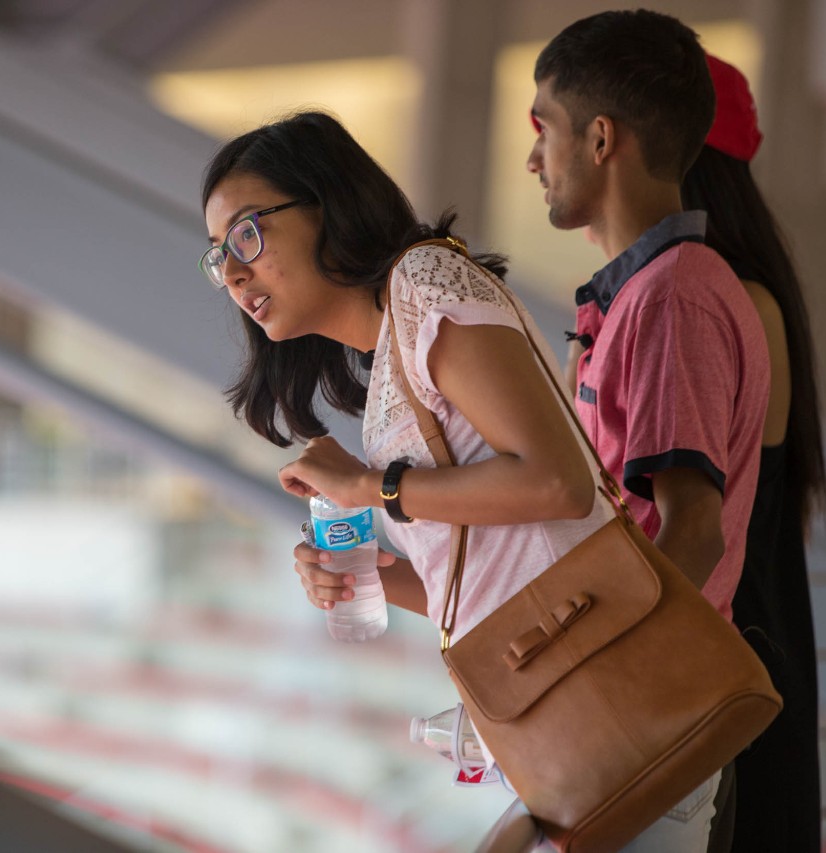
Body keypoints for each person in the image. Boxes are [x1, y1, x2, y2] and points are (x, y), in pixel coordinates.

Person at [204, 110, 711, 850]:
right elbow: (481, 568)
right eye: (218, 256)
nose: (234, 272)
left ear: (326, 203)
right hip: (561, 698)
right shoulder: (390, 351)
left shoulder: (424, 280)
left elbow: (557, 484)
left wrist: (371, 487)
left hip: (607, 695)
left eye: (247, 233)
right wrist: (371, 575)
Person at [527, 11, 771, 850]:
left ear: (600, 138)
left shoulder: (675, 296)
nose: (533, 159)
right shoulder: (643, 295)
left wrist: (590, 679)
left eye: (543, 129)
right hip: (632, 704)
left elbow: (691, 526)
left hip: (643, 711)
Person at [679, 54, 826, 853]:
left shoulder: (716, 301)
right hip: (751, 653)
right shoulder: (743, 293)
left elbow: (696, 521)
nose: (542, 160)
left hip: (736, 661)